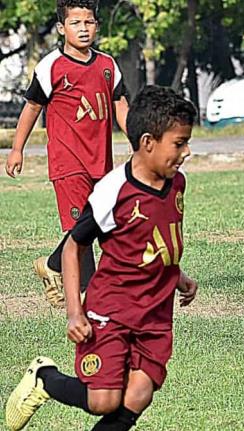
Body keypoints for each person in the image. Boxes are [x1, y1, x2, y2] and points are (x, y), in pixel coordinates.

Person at [3, 86, 198, 431]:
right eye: (179, 144)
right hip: (110, 310)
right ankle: (45, 379)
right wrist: (75, 312)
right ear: (147, 143)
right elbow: (74, 247)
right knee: (104, 401)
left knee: (139, 395)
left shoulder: (176, 183)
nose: (184, 153)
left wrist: (178, 275)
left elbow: (158, 239)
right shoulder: (114, 192)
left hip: (156, 315)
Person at [4, 0, 129, 308]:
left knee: (98, 222)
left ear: (97, 26)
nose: (83, 29)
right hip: (67, 161)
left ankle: (53, 266)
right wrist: (16, 149)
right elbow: (32, 107)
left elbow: (121, 106)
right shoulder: (50, 66)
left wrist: (140, 139)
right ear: (62, 28)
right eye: (75, 23)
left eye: (88, 23)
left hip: (101, 161)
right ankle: (89, 293)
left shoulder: (107, 65)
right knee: (82, 226)